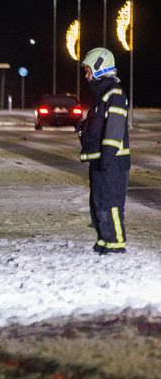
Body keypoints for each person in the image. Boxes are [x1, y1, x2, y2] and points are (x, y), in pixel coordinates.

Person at [78, 47, 131, 254]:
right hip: (100, 160)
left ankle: (116, 242)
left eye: (88, 70)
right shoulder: (100, 96)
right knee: (98, 202)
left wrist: (107, 157)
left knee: (112, 203)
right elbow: (98, 128)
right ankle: (104, 239)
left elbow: (115, 129)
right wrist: (83, 130)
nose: (86, 75)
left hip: (113, 161)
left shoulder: (115, 94)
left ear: (100, 68)